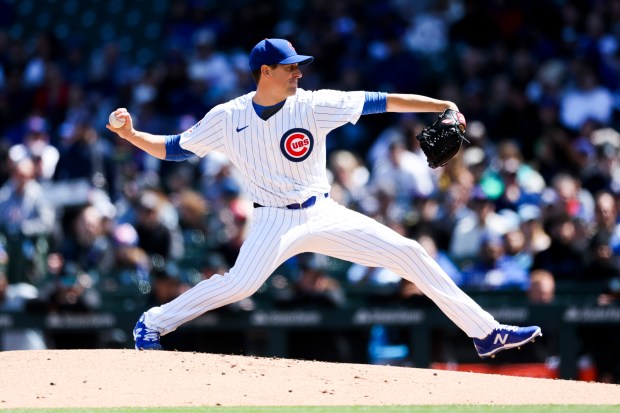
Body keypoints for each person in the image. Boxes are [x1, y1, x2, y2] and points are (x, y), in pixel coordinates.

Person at [107, 38, 541, 358]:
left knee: (409, 252)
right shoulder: (228, 116)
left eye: (299, 66)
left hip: (323, 211)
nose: (299, 72)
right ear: (265, 73)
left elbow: (383, 101)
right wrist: (130, 135)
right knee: (240, 284)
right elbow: (174, 147)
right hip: (273, 220)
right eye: (290, 67)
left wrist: (440, 104)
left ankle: (485, 332)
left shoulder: (314, 104)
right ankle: (153, 322)